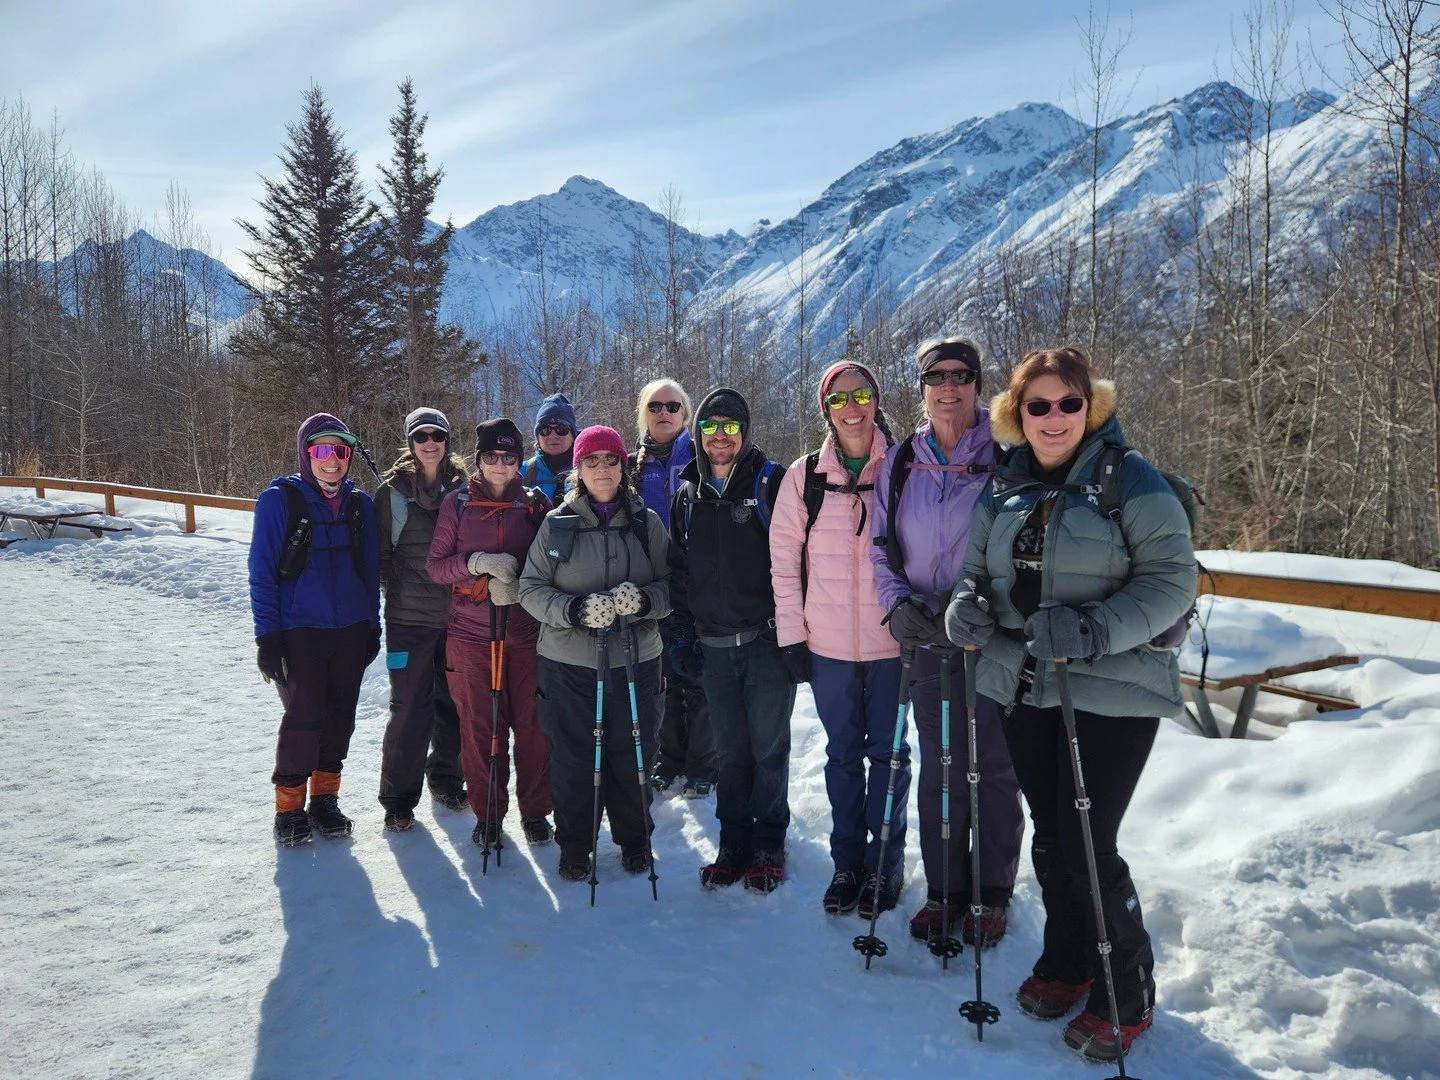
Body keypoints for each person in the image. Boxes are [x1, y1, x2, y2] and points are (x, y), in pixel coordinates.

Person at [945, 346, 1194, 1062]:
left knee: (1090, 843)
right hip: (1026, 684)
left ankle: (1128, 988)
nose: (1054, 418)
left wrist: (1095, 628)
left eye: (1068, 403)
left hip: (1112, 689)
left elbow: (1172, 581)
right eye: (1038, 406)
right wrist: (968, 607)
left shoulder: (1131, 481)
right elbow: (973, 573)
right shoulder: (1007, 486)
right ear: (1016, 416)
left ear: (1093, 408)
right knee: (1052, 839)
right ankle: (1067, 960)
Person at [869, 337, 1025, 936]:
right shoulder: (904, 460)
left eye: (961, 375)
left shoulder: (1007, 451)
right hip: (928, 637)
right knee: (940, 764)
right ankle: (944, 890)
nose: (949, 386)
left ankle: (991, 891)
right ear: (923, 387)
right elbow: (880, 546)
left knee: (992, 763)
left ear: (977, 385)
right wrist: (896, 604)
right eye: (937, 376)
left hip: (990, 634)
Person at [771, 361, 903, 916]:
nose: (852, 407)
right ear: (826, 410)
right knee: (843, 756)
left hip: (894, 644)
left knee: (891, 758)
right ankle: (848, 864)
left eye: (862, 394)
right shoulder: (806, 477)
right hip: (827, 648)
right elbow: (782, 561)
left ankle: (885, 867)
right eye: (839, 398)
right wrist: (792, 635)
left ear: (876, 400)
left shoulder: (903, 466)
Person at [518, 425, 670, 881]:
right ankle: (575, 846)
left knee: (634, 753)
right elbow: (529, 588)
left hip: (637, 659)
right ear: (578, 470)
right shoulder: (556, 523)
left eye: (611, 460)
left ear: (624, 467)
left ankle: (635, 840)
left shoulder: (646, 523)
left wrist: (644, 602)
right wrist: (574, 609)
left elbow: (670, 588)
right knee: (572, 758)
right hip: (569, 664)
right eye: (591, 460)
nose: (602, 468)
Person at [669, 388, 793, 893]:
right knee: (730, 753)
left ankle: (769, 844)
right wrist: (680, 632)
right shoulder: (686, 496)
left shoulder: (770, 483)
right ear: (697, 434)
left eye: (730, 426)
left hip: (764, 642)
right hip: (713, 646)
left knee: (769, 749)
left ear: (744, 433)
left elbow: (795, 563)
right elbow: (678, 571)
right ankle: (733, 843)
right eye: (709, 426)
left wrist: (795, 637)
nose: (719, 436)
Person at [249, 412, 380, 846]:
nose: (332, 460)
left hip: (351, 629)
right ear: (307, 454)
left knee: (341, 717)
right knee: (304, 719)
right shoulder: (279, 500)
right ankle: (288, 808)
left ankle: (324, 800)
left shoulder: (360, 505)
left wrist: (372, 624)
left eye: (340, 451)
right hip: (299, 629)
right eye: (322, 450)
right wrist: (268, 637)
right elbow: (262, 572)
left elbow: (370, 570)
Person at [426, 419, 554, 848]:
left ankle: (536, 812)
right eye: (491, 456)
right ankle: (488, 815)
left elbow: (551, 564)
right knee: (482, 728)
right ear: (478, 459)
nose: (500, 465)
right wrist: (477, 563)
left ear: (520, 461)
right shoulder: (457, 503)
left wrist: (522, 583)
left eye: (509, 457)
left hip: (525, 633)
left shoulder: (536, 504)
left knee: (533, 728)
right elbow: (437, 566)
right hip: (471, 636)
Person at [374, 408, 469, 831]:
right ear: (410, 443)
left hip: (458, 621)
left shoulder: (465, 490)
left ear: (447, 441)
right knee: (410, 708)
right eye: (421, 436)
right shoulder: (391, 494)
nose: (430, 443)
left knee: (455, 707)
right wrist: (396, 598)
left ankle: (446, 780)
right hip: (409, 623)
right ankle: (397, 799)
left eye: (437, 435)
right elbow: (379, 559)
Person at [629, 378, 715, 798]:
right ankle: (669, 759)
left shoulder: (703, 458)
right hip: (651, 585)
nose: (664, 413)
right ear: (644, 414)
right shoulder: (631, 466)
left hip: (697, 580)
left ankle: (703, 764)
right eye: (655, 407)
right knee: (662, 677)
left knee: (698, 673)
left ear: (686, 413)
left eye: (673, 406)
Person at [522, 392, 576, 505]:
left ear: (573, 436)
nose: (553, 436)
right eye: (545, 430)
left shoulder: (589, 471)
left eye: (561, 429)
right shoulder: (521, 473)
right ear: (538, 437)